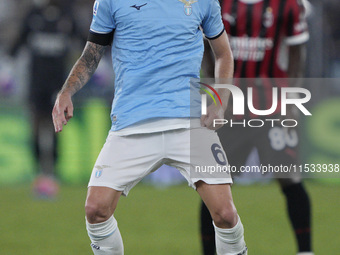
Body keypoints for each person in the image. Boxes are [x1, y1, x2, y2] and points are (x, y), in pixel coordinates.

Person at [52, 0, 248, 254]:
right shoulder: (110, 2)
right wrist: (67, 91)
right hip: (132, 123)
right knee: (96, 209)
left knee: (225, 215)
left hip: (189, 123)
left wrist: (220, 102)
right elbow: (91, 54)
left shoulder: (204, 1)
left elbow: (223, 54)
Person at [200, 0, 313, 255]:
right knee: (212, 187)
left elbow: (297, 51)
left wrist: (291, 97)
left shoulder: (288, 5)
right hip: (230, 111)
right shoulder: (218, 3)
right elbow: (209, 49)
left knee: (289, 177)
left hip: (271, 109)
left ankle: (306, 251)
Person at [10, 0, 80, 197]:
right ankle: (39, 173)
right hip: (37, 83)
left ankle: (53, 173)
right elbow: (17, 45)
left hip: (59, 85)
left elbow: (85, 43)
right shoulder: (33, 14)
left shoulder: (67, 14)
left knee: (57, 128)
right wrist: (7, 70)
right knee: (36, 126)